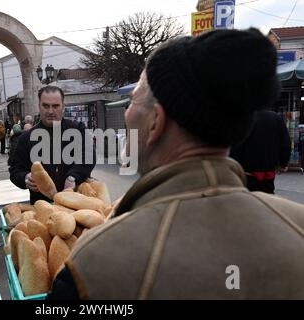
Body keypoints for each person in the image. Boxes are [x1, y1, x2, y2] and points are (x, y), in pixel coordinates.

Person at [47, 29, 304, 300]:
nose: (126, 113)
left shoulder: (97, 261)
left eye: (133, 100)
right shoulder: (298, 227)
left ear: (155, 121)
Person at [9, 86, 95, 204]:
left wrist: (73, 177)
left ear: (63, 107)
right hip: (43, 208)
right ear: (39, 106)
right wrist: (25, 178)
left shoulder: (78, 129)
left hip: (77, 202)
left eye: (55, 106)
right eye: (45, 106)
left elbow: (89, 156)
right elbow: (15, 170)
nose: (50, 111)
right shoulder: (26, 138)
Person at [230, 110, 291, 194]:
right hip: (268, 171)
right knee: (268, 198)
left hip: (246, 171)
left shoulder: (243, 117)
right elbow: (285, 143)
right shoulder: (276, 117)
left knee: (247, 199)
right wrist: (283, 163)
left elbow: (236, 145)